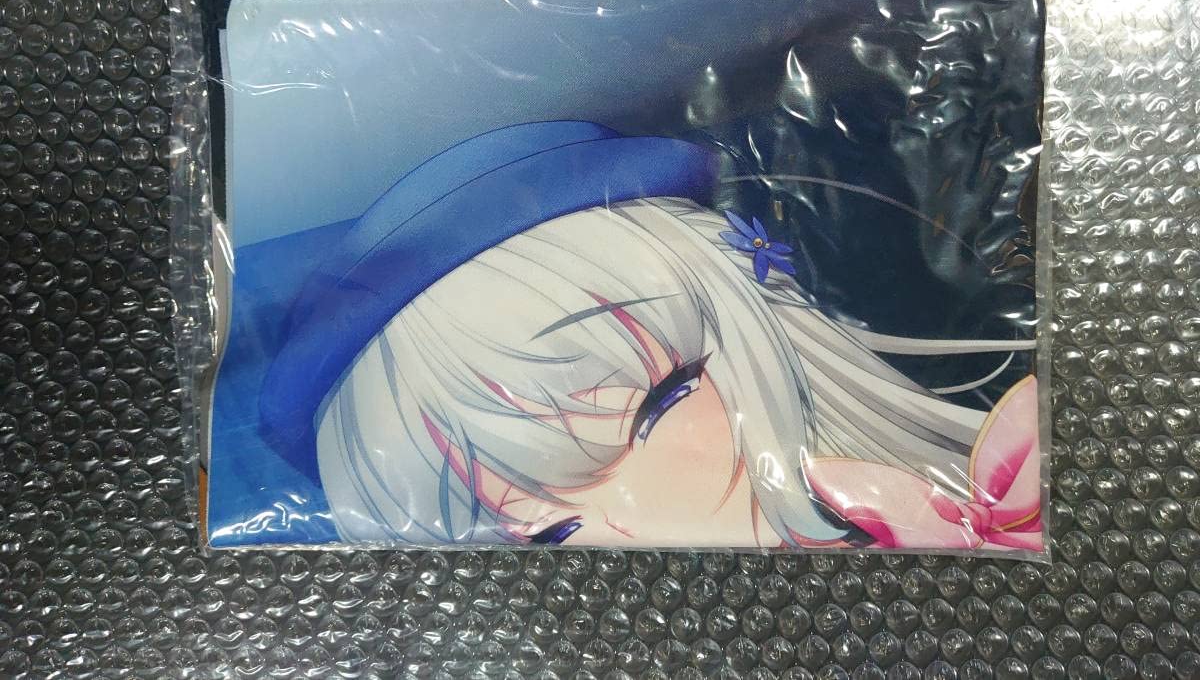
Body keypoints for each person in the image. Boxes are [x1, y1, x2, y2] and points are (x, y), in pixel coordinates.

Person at [260, 122, 1042, 550]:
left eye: (657, 408)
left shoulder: (1001, 502)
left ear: (748, 325)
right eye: (555, 532)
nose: (624, 526)